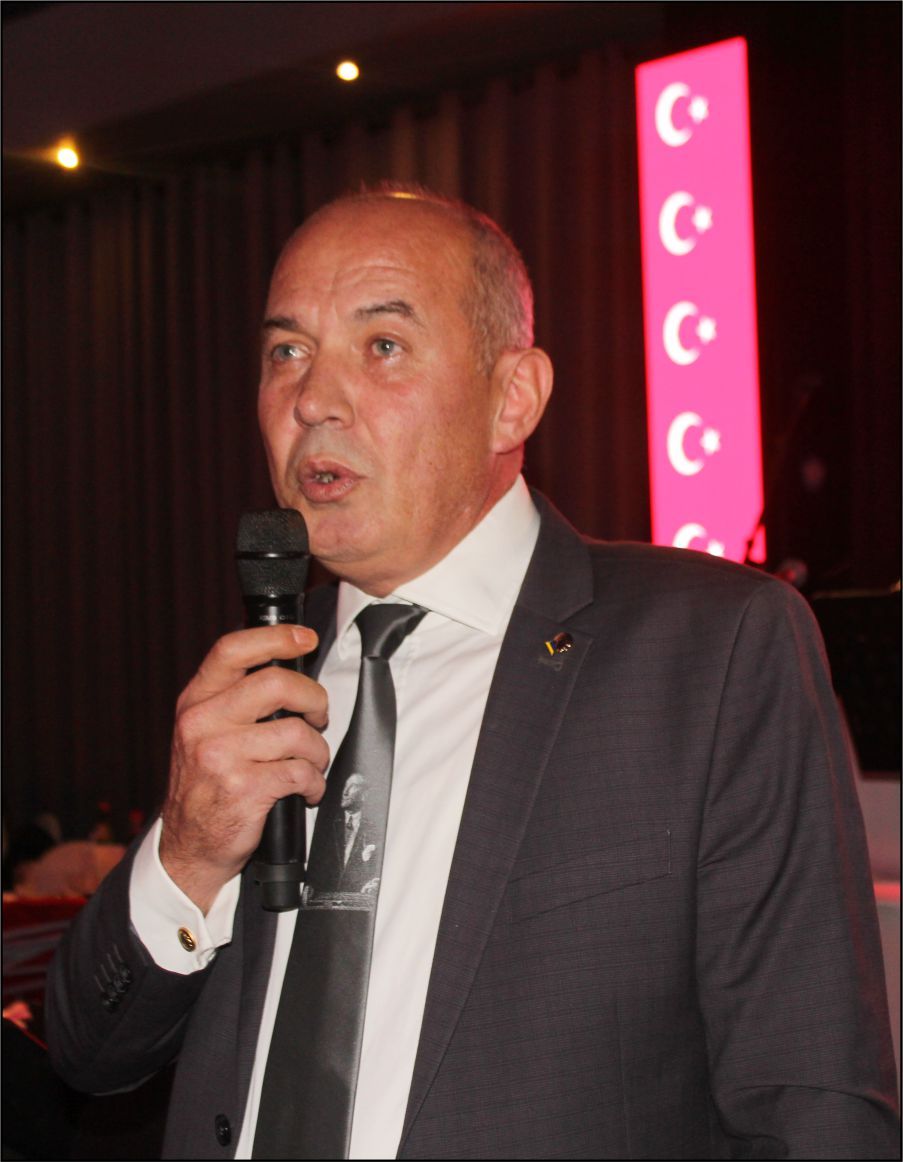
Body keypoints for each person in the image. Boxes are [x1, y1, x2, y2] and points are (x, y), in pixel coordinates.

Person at [46, 184, 899, 1159]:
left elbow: (812, 1104)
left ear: (512, 398)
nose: (311, 399)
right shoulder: (260, 678)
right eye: (286, 352)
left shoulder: (707, 651)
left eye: (382, 345)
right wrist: (189, 857)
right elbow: (87, 1052)